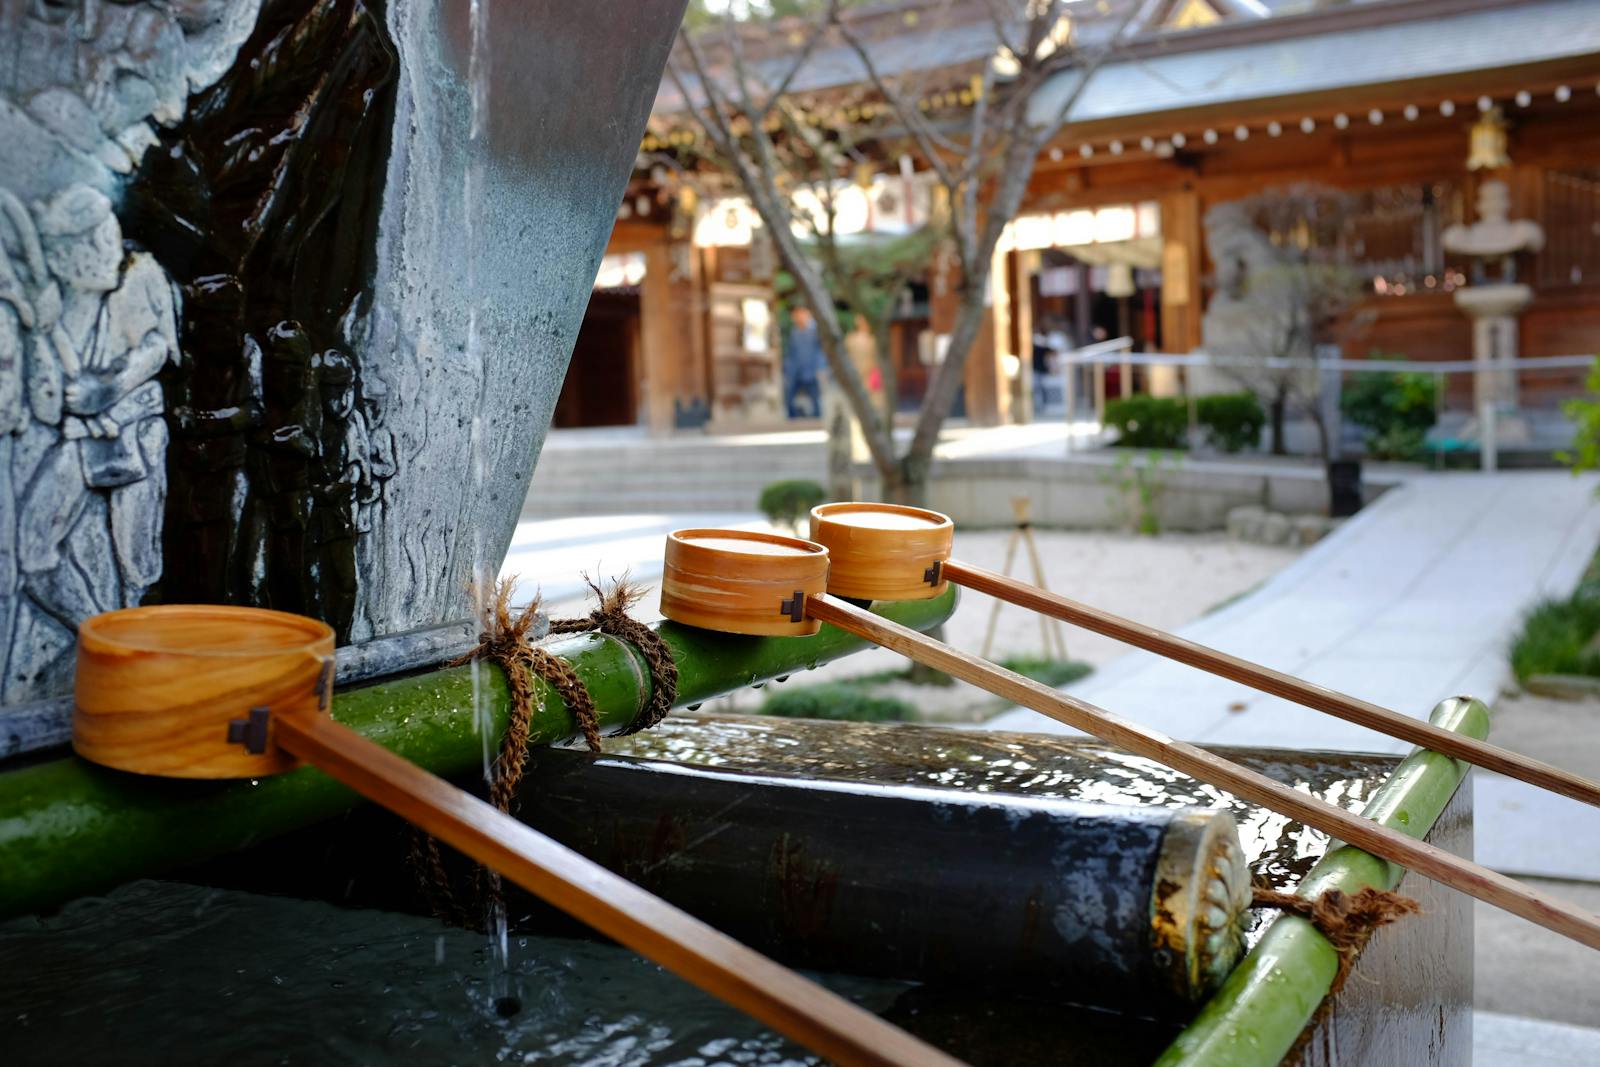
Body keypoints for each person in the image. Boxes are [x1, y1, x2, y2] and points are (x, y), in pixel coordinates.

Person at [782, 305, 824, 418]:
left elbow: (820, 351)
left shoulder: (815, 330)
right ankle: (793, 421)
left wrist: (820, 368)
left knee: (815, 398)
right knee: (789, 396)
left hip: (812, 370)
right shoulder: (795, 332)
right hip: (797, 371)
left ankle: (817, 421)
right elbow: (791, 352)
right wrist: (788, 369)